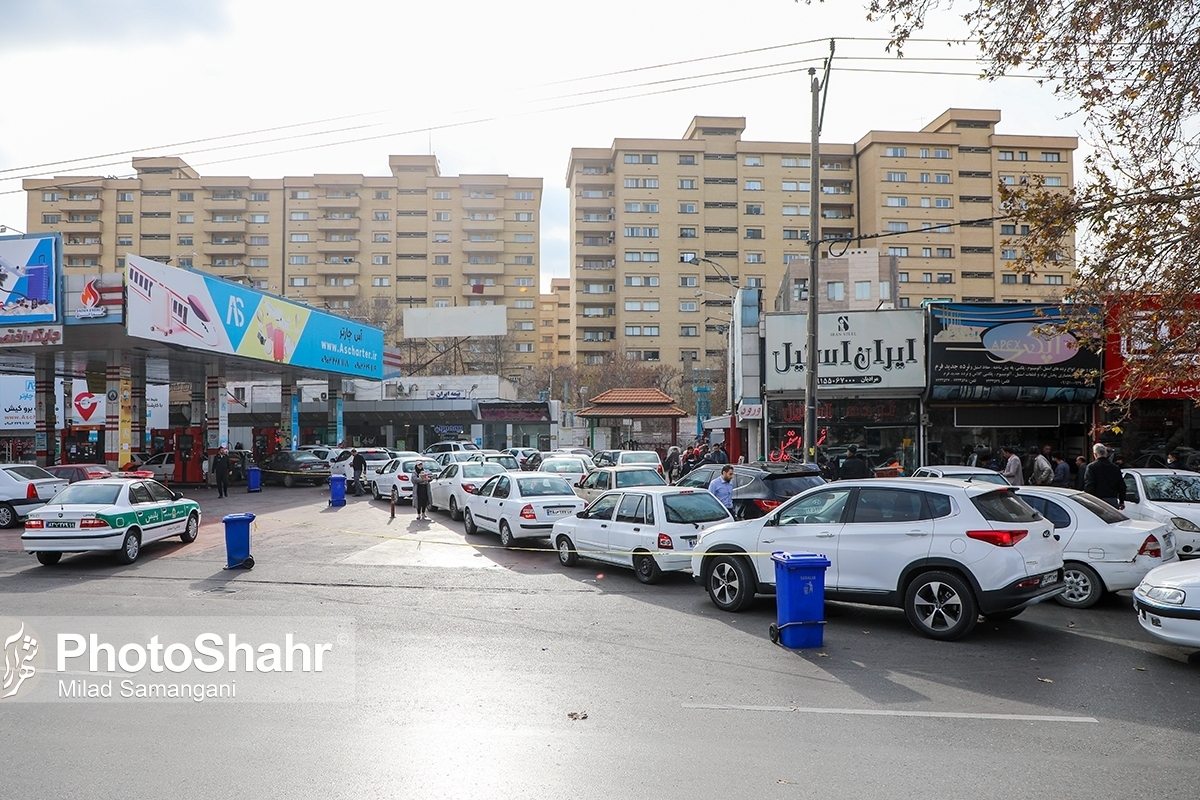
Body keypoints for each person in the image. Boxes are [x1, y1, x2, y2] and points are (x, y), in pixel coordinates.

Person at [1084, 443, 1126, 509]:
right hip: (1112, 500)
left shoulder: (1091, 467)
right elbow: (1121, 485)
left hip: (1097, 500)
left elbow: (1089, 485)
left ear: (1095, 454)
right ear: (1106, 454)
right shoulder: (1115, 468)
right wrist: (1121, 501)